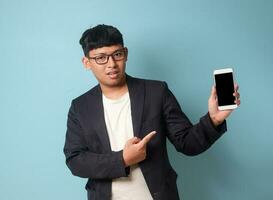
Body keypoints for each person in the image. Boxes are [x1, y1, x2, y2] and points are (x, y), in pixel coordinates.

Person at [63, 24, 240, 200]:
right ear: (87, 62)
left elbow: (187, 143)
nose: (112, 64)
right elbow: (76, 161)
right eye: (101, 57)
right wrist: (122, 159)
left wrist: (213, 120)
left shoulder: (156, 92)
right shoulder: (80, 107)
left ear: (125, 54)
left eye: (117, 54)